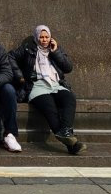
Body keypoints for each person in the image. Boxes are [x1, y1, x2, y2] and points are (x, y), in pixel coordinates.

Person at [12, 25, 86, 154]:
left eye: (47, 37)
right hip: (37, 86)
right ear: (36, 37)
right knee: (50, 107)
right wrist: (20, 76)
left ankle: (66, 132)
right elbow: (10, 57)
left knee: (69, 98)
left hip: (55, 84)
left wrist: (55, 51)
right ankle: (72, 145)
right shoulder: (27, 49)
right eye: (41, 37)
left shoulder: (56, 49)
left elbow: (68, 68)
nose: (44, 40)